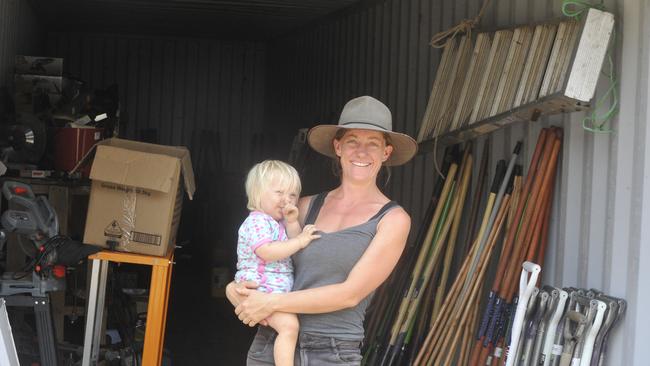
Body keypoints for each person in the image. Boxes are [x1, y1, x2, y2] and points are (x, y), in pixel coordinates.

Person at [227, 95, 417, 365]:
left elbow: (349, 294)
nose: (361, 152)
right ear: (338, 147)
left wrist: (270, 303)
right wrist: (233, 289)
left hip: (332, 351)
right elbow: (257, 251)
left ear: (386, 153)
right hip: (273, 342)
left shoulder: (393, 220)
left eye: (373, 143)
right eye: (352, 141)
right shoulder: (302, 207)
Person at [235, 160, 321, 366]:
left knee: (288, 326)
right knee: (289, 327)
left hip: (272, 291)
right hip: (261, 288)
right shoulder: (257, 221)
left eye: (292, 195)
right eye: (279, 192)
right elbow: (267, 252)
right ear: (258, 193)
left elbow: (295, 244)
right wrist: (299, 241)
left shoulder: (277, 223)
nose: (286, 199)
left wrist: (292, 223)